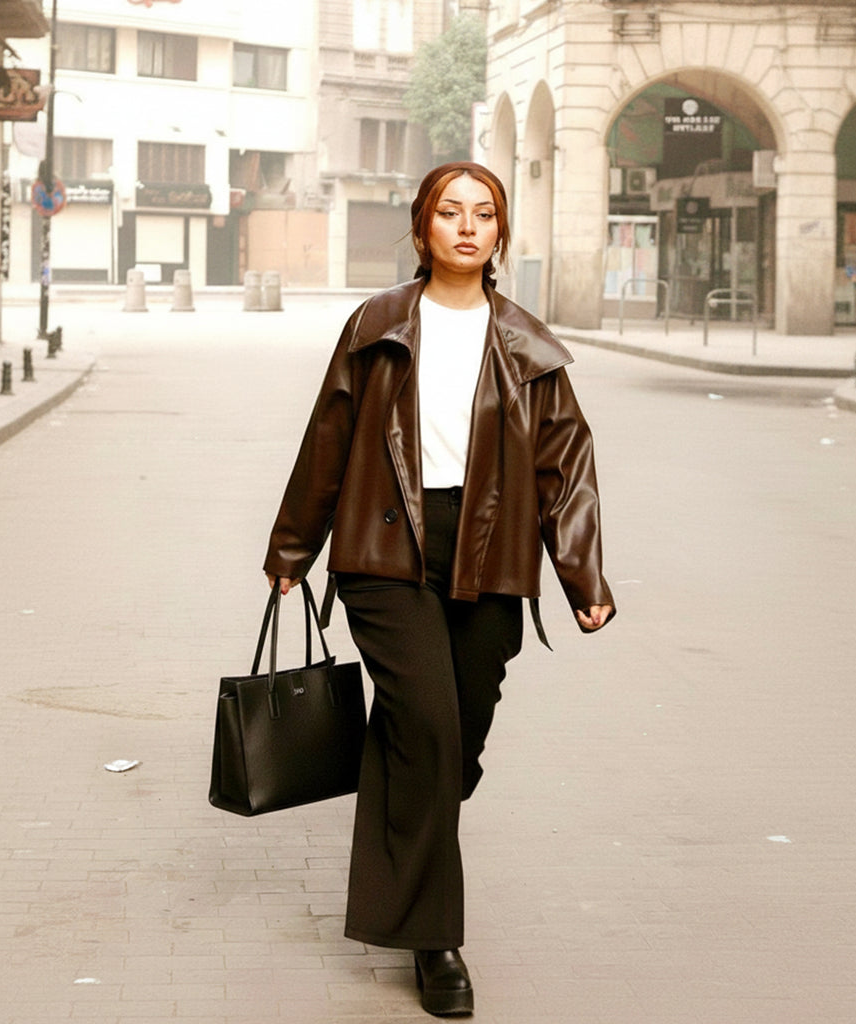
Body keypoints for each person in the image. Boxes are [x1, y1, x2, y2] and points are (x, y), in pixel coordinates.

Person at [263, 161, 615, 1017]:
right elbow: (329, 439)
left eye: (483, 214)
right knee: (425, 719)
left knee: (452, 742)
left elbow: (565, 462)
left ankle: (408, 850)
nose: (466, 226)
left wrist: (582, 576)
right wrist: (291, 550)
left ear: (499, 234)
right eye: (448, 213)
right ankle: (436, 942)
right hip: (384, 547)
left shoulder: (528, 343)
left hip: (488, 556)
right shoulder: (378, 324)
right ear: (422, 229)